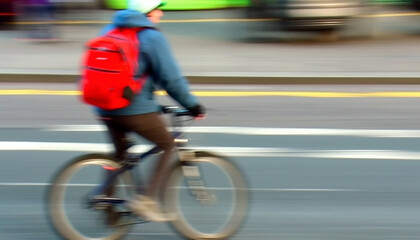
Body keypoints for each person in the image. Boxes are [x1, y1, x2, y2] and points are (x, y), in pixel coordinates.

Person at [96, 0, 206, 222]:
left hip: (103, 104)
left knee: (121, 156)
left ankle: (105, 203)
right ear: (147, 11)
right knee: (167, 143)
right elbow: (171, 80)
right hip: (130, 109)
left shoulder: (110, 28)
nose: (161, 13)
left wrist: (155, 105)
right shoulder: (152, 37)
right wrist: (192, 105)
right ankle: (146, 200)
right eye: (158, 8)